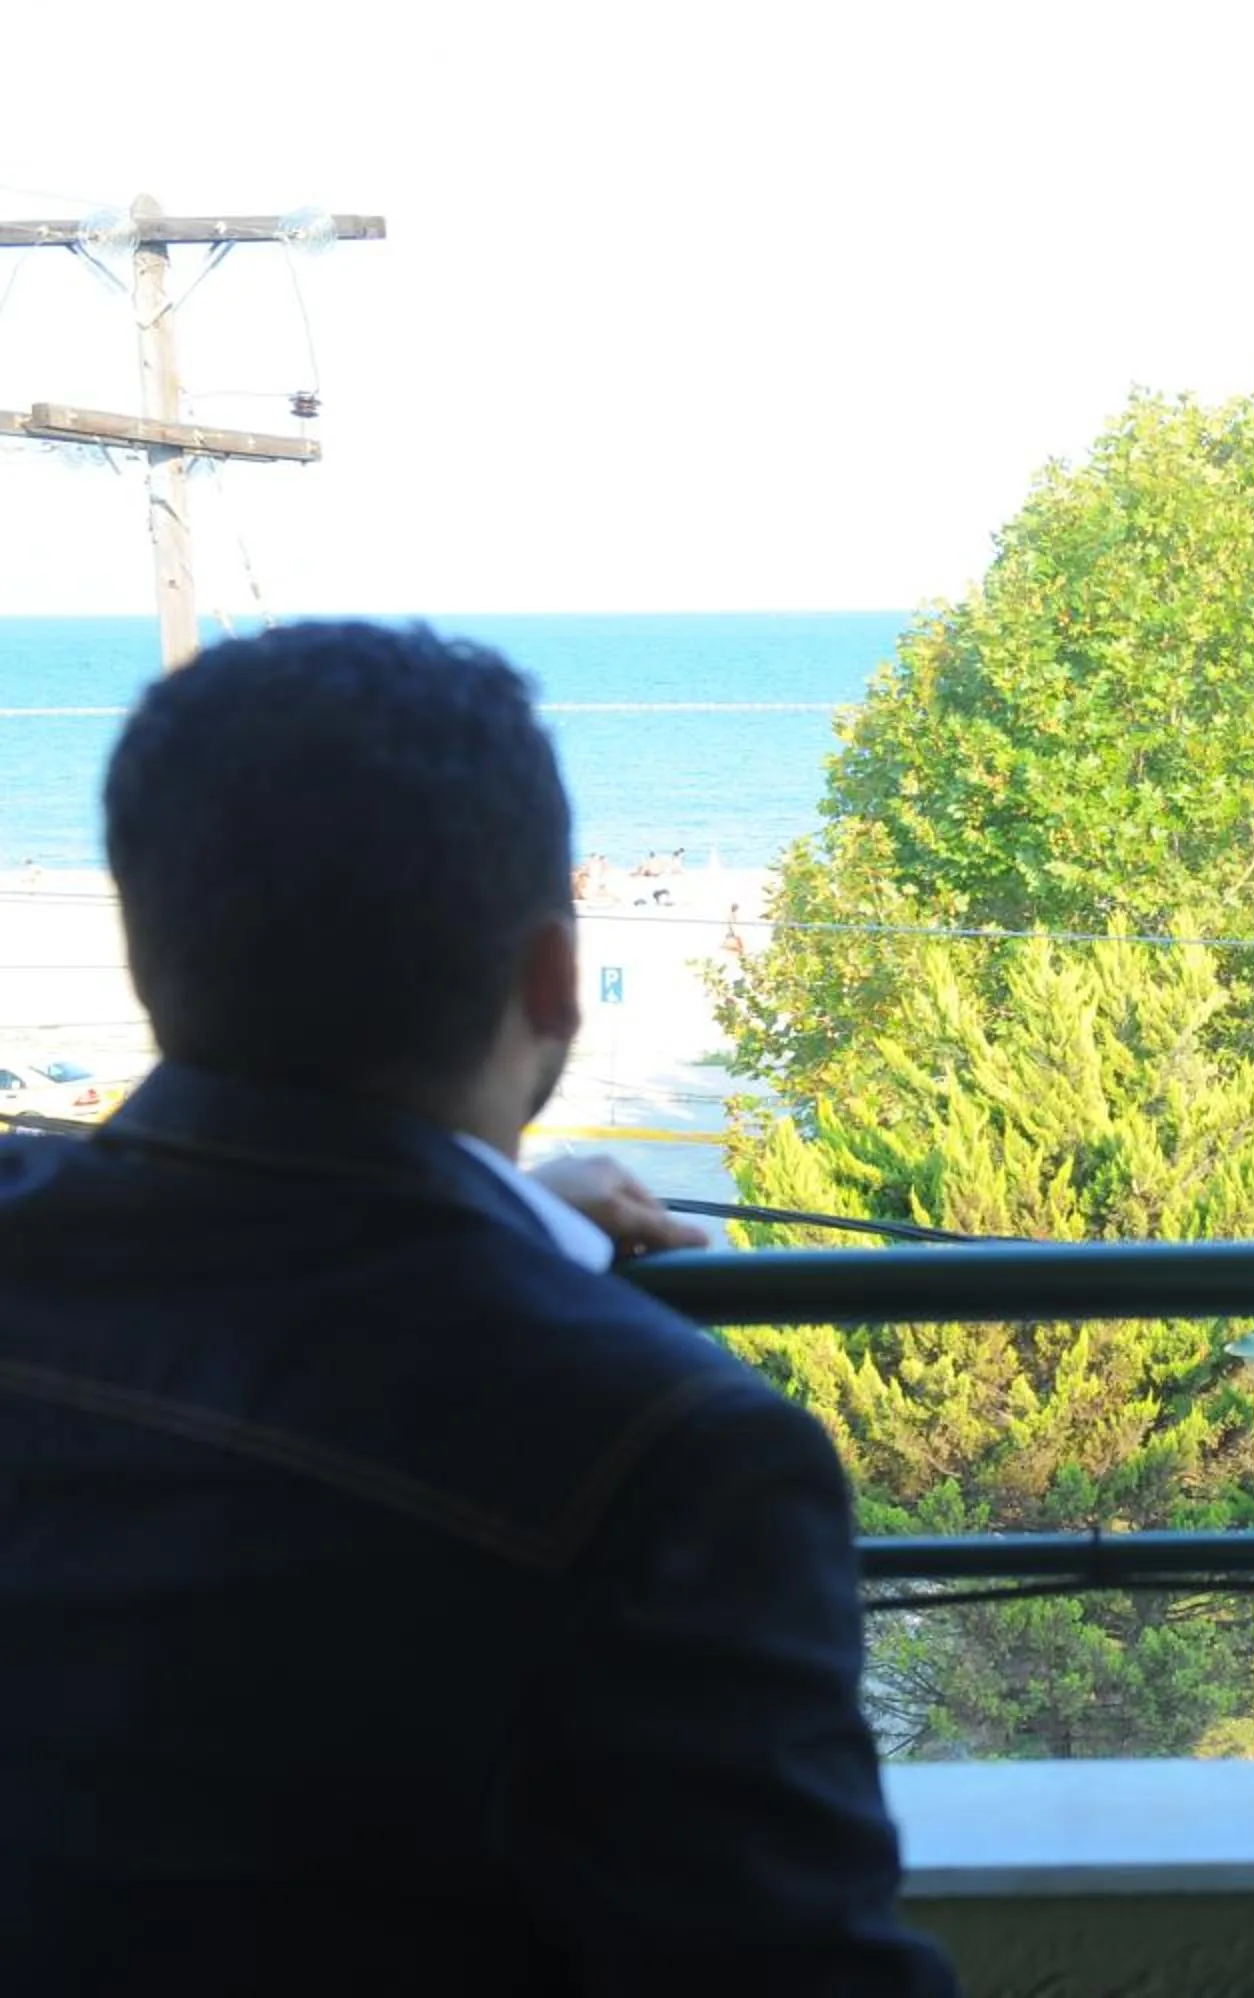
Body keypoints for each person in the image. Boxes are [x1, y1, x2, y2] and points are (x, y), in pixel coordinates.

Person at [0, 622, 953, 1994]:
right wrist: (500, 1229)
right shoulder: (673, 1455)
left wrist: (513, 1215)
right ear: (555, 980)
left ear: (148, 954)